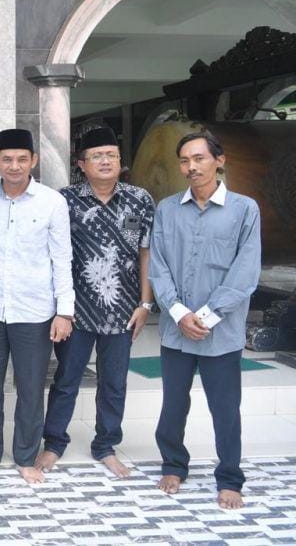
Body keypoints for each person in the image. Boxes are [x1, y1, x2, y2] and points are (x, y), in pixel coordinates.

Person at [149, 130, 260, 510]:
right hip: (175, 330)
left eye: (198, 158)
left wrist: (208, 316)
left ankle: (229, 478)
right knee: (173, 404)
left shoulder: (245, 209)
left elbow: (245, 273)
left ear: (220, 160)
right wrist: (179, 313)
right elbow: (158, 267)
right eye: (184, 160)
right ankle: (174, 465)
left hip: (221, 332)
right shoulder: (166, 209)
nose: (191, 166)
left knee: (225, 408)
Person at [36, 127, 155, 479]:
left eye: (112, 155)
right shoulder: (65, 200)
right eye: (97, 156)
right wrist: (61, 309)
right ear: (81, 164)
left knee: (114, 381)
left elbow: (147, 252)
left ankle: (105, 445)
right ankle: (54, 443)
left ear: (121, 161)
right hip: (77, 312)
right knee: (67, 379)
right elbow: (54, 257)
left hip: (123, 311)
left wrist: (145, 304)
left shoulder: (140, 199)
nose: (105, 161)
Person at [0, 128, 74, 484]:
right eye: (6, 159)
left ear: (34, 160)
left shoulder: (51, 202)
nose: (14, 166)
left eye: (21, 159)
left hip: (34, 312)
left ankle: (26, 457)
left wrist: (65, 311)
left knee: (31, 388)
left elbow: (62, 259)